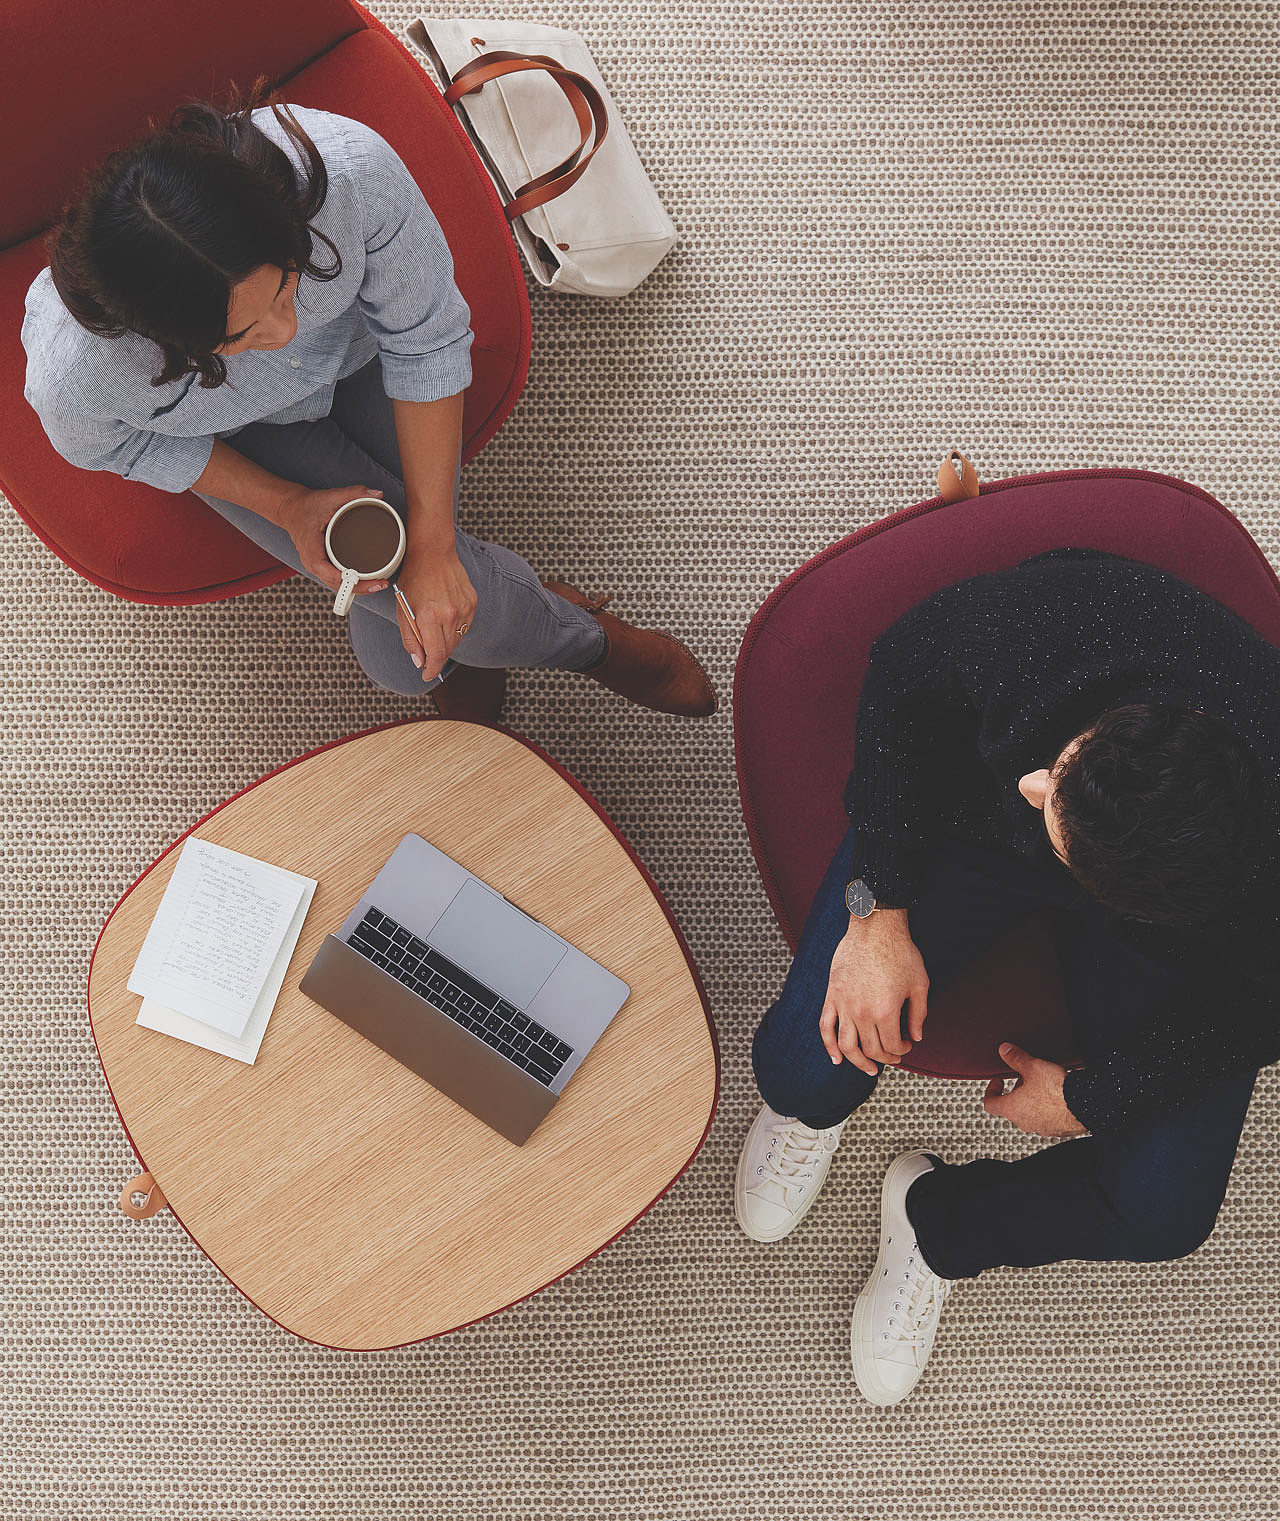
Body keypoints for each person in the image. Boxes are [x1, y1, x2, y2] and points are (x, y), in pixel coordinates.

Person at [735, 546, 1279, 1407]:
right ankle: (809, 1116)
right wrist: (877, 911)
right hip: (969, 826)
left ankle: (934, 1225)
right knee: (800, 1067)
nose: (1034, 781)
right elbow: (903, 678)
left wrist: (1099, 1099)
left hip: (1160, 936)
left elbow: (1262, 1009)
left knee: (1165, 1211)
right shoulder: (1059, 628)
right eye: (1060, 769)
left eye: (1051, 801)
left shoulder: (1243, 903)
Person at [20, 79, 716, 723]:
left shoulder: (348, 173)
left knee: (412, 649)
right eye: (241, 335)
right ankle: (563, 632)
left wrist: (437, 547)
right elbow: (121, 444)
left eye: (289, 287)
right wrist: (283, 504)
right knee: (408, 661)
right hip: (247, 432)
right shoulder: (78, 372)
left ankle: (586, 645)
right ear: (158, 338)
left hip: (365, 361)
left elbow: (427, 339)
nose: (286, 330)